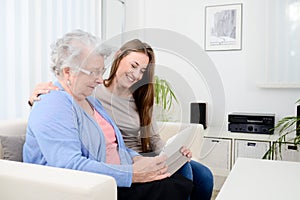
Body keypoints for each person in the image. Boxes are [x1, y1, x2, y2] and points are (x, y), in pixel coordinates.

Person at [28, 38, 213, 200]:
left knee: (202, 175)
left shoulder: (133, 97)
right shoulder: (90, 93)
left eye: (142, 71)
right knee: (179, 181)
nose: (137, 75)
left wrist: (170, 153)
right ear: (118, 57)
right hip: (121, 167)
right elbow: (58, 109)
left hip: (134, 158)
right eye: (133, 66)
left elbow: (140, 141)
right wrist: (36, 98)